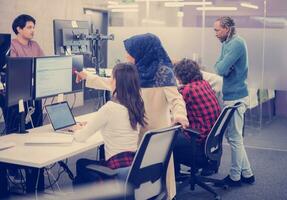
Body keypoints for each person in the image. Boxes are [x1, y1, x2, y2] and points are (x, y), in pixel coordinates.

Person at [76, 33, 189, 199]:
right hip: (136, 130)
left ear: (142, 51)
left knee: (156, 174)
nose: (127, 55)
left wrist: (180, 115)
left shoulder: (164, 73)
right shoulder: (136, 71)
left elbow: (176, 99)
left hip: (157, 135)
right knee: (139, 178)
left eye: (130, 51)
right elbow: (113, 84)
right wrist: (89, 77)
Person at [73, 62, 147, 184]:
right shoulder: (137, 103)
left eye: (111, 78)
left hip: (117, 169)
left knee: (81, 165)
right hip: (133, 165)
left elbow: (81, 137)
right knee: (84, 164)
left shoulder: (110, 108)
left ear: (117, 82)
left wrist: (77, 130)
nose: (109, 81)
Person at [213, 16, 255, 186]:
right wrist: (223, 66)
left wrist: (224, 67)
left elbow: (221, 68)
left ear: (228, 29)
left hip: (237, 97)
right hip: (232, 96)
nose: (215, 33)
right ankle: (248, 173)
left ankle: (235, 177)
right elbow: (218, 66)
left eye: (217, 30)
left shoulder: (237, 43)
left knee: (235, 138)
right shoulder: (226, 44)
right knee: (234, 138)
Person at [172, 58, 221, 177]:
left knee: (168, 138)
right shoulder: (205, 84)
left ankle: (175, 175)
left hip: (198, 144)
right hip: (210, 143)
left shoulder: (186, 91)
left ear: (180, 76)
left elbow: (173, 112)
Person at [1, 14, 44, 133]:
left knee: (36, 126)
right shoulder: (11, 45)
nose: (33, 30)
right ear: (19, 29)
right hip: (17, 90)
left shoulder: (35, 45)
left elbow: (42, 63)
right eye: (29, 27)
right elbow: (13, 68)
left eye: (33, 27)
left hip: (33, 88)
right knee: (16, 129)